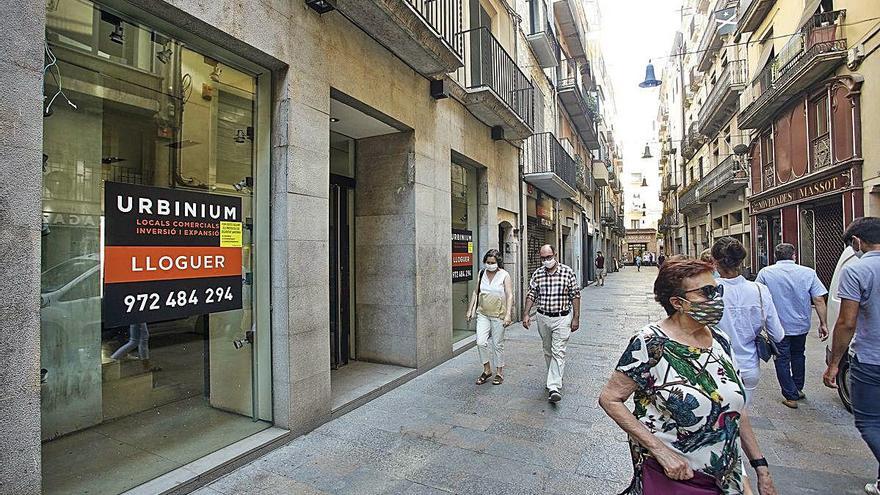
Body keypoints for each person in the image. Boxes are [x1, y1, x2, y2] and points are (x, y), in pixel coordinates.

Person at [599, 259, 777, 495]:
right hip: (676, 479)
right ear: (677, 302)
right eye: (707, 292)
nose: (716, 299)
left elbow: (735, 409)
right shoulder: (651, 343)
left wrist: (759, 467)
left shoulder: (720, 340)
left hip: (727, 478)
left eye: (717, 289)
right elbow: (610, 398)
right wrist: (661, 451)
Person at [824, 217, 880, 495]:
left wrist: (834, 362)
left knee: (869, 421)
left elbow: (847, 322)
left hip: (872, 358)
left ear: (857, 242)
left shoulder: (857, 270)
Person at [712, 237, 785, 404]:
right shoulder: (760, 290)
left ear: (715, 262)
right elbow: (778, 334)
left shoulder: (709, 291)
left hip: (716, 366)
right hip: (748, 367)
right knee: (741, 416)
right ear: (741, 261)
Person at [756, 243, 829, 409]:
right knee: (798, 354)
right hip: (801, 324)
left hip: (777, 325)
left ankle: (790, 395)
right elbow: (818, 299)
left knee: (781, 358)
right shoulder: (808, 272)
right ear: (794, 255)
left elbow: (758, 296)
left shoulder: (766, 273)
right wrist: (823, 323)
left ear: (775, 256)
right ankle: (797, 388)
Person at [522, 244, 581, 403]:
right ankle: (553, 377)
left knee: (558, 350)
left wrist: (576, 318)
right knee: (547, 350)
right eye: (543, 258)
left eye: (549, 257)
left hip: (562, 318)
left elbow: (575, 295)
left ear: (555, 254)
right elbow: (531, 294)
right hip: (542, 317)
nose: (546, 260)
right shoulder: (538, 274)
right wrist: (526, 313)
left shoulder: (567, 272)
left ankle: (554, 386)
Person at [466, 249, 514, 385]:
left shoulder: (504, 275)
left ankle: (499, 372)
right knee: (480, 342)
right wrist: (470, 310)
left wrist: (508, 314)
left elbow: (509, 295)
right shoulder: (481, 273)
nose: (490, 265)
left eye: (493, 262)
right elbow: (476, 292)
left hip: (499, 315)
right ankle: (487, 370)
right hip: (483, 314)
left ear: (498, 262)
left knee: (497, 344)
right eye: (487, 262)